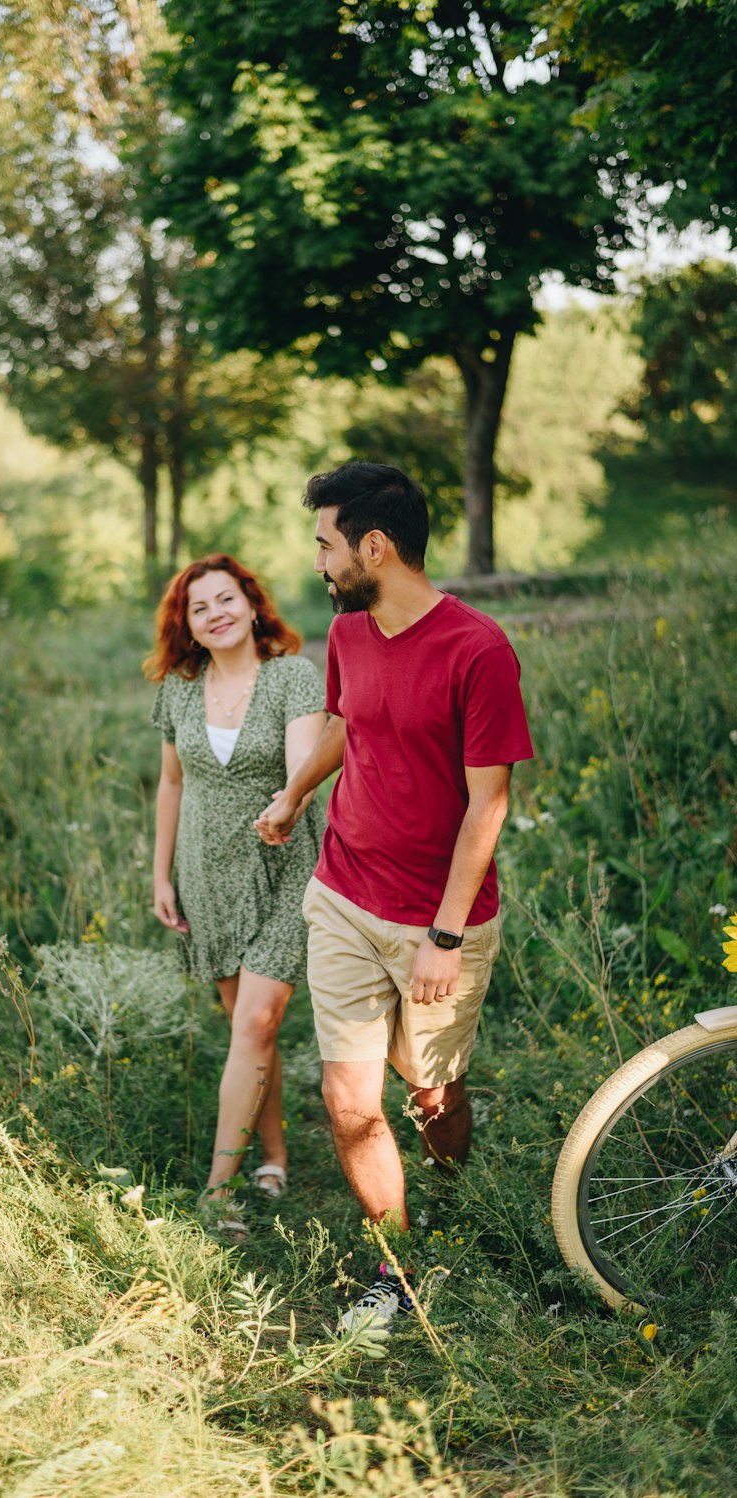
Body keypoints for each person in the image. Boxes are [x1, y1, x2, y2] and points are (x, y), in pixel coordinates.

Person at [255, 461, 533, 1332]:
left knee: (432, 1096)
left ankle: (453, 1180)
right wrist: (297, 792)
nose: (319, 563)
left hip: (437, 921)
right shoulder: (345, 635)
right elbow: (346, 725)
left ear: (375, 546)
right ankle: (397, 1271)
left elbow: (490, 799)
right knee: (350, 1102)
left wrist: (444, 939)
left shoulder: (477, 649)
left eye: (326, 545)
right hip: (342, 893)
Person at [145, 554, 326, 1231]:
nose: (216, 612)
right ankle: (273, 1157)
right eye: (200, 607)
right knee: (251, 1028)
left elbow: (302, 775)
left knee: (254, 1023)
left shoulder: (291, 679)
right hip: (205, 875)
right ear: (187, 626)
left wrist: (284, 804)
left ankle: (218, 1190)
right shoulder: (180, 690)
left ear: (252, 606)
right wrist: (161, 874)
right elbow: (171, 784)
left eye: (227, 598)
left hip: (283, 870)